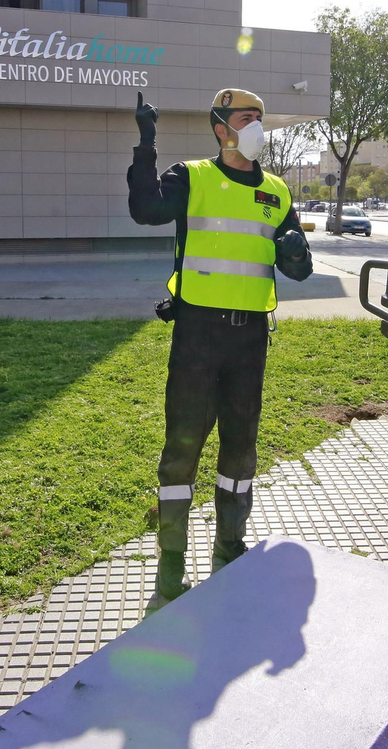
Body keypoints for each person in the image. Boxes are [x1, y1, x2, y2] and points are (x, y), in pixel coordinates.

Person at [127, 87, 313, 613]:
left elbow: (298, 265)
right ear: (220, 128)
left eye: (260, 116)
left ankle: (230, 551)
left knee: (240, 449)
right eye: (246, 117)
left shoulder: (277, 191)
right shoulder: (194, 177)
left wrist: (298, 256)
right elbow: (145, 210)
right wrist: (146, 142)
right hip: (198, 338)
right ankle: (170, 566)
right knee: (181, 450)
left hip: (249, 339)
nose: (256, 125)